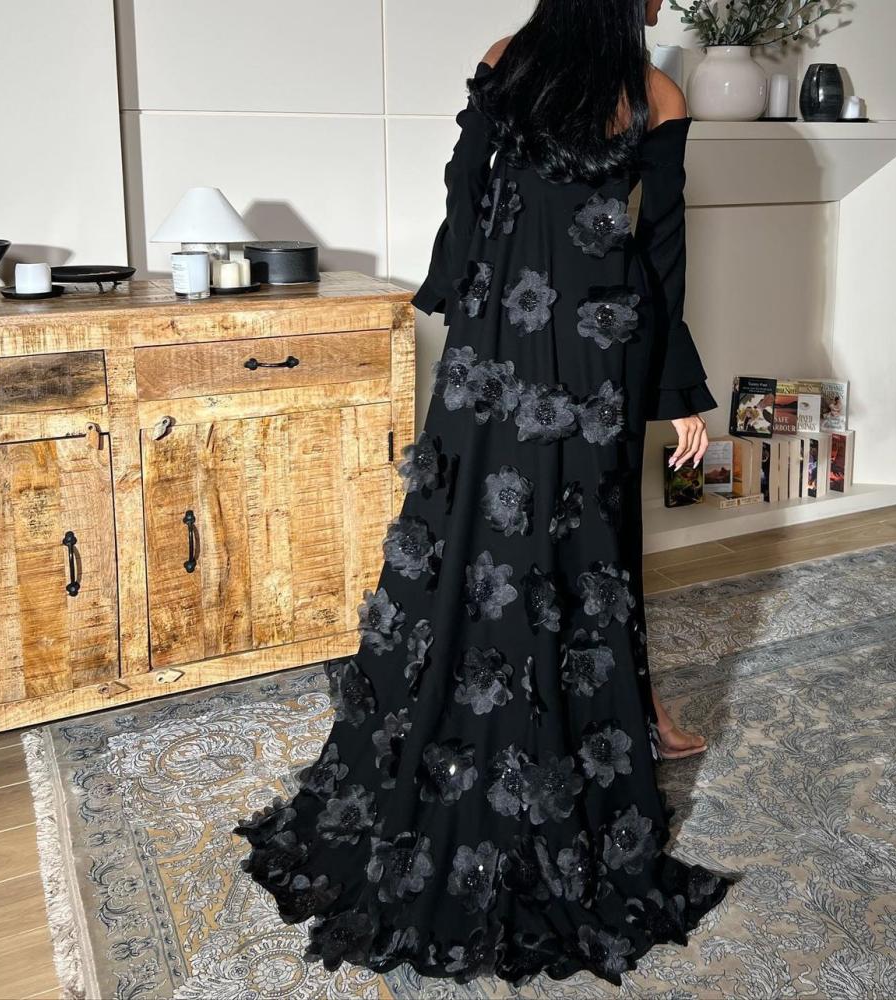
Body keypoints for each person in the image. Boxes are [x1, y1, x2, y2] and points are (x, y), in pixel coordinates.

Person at [233, 0, 737, 985]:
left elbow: (465, 186)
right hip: (597, 350)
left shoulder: (510, 59)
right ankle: (611, 719)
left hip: (496, 341)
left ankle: (603, 711)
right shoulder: (654, 93)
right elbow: (660, 248)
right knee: (585, 549)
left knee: (470, 536)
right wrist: (674, 386)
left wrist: (462, 306)